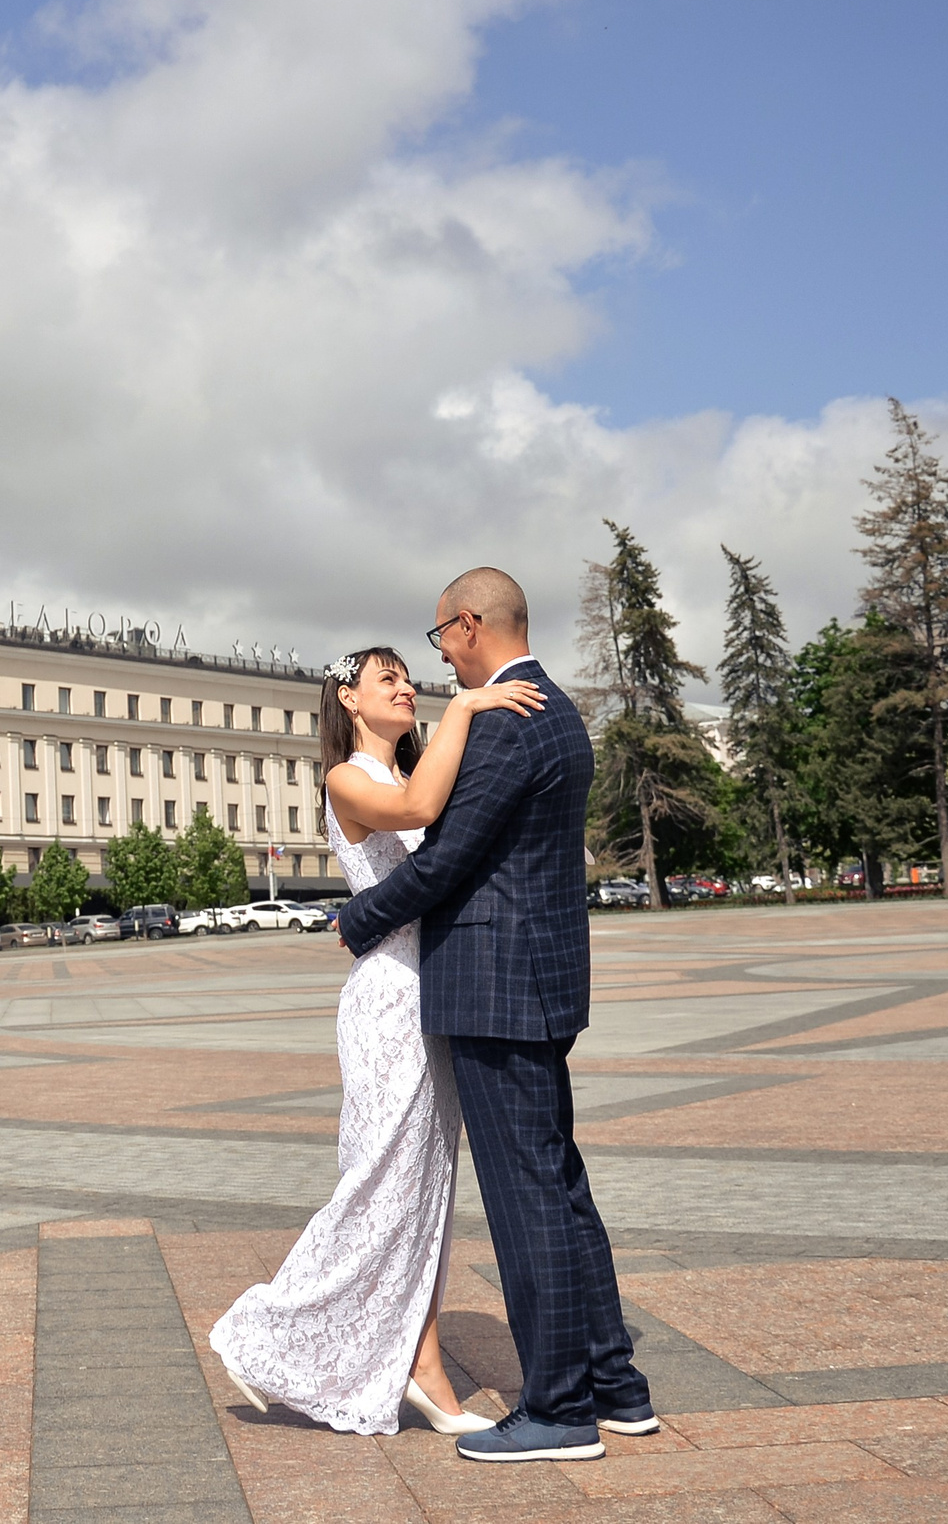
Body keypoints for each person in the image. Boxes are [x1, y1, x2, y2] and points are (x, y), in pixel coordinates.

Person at [335, 567, 655, 1464]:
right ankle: (615, 1383)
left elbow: (446, 861)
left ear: (469, 624)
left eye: (439, 636)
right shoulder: (556, 709)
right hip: (538, 979)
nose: (438, 656)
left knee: (526, 1201)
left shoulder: (505, 722)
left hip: (496, 985)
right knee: (559, 1185)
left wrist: (356, 920)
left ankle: (558, 1407)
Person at [208, 648, 544, 1436]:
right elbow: (422, 808)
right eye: (387, 678)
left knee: (426, 1187)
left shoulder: (412, 770)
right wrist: (467, 705)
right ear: (350, 699)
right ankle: (262, 1332)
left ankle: (423, 1366)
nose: (406, 687)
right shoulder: (346, 778)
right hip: (389, 998)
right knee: (377, 1182)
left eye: (407, 676)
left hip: (436, 992)